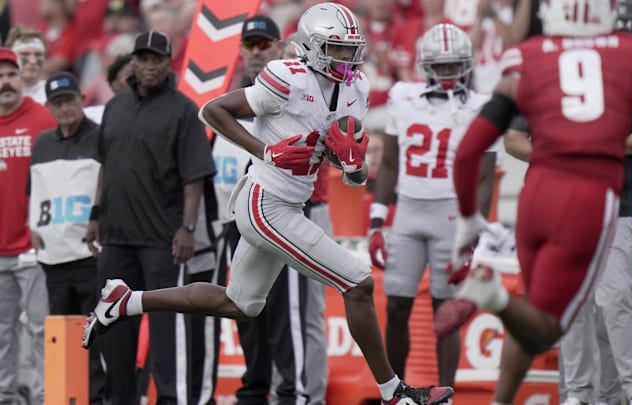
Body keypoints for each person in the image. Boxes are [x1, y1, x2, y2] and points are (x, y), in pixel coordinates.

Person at [82, 4, 454, 405]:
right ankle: (393, 394)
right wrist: (267, 152)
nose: (347, 60)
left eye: (351, 50)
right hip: (264, 204)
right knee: (358, 283)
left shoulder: (355, 88)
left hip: (289, 205)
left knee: (239, 303)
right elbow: (213, 110)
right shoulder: (287, 77)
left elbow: (353, 175)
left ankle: (126, 300)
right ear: (312, 48)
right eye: (337, 49)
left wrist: (353, 164)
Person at [431, 0, 632, 404]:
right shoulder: (629, 54)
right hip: (588, 198)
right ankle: (494, 295)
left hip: (536, 200)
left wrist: (467, 218)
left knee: (543, 314)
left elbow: (468, 152)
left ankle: (501, 388)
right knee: (556, 321)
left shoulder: (526, 55)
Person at [82, 31, 216, 405]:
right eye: (144, 58)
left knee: (166, 329)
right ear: (135, 63)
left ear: (169, 62)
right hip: (116, 237)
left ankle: (171, 399)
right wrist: (95, 213)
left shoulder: (183, 109)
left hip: (162, 240)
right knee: (114, 329)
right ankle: (121, 399)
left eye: (157, 59)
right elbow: (106, 166)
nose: (150, 65)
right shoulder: (115, 107)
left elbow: (194, 176)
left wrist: (187, 229)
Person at [368, 23, 495, 390]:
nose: (447, 74)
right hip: (408, 209)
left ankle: (447, 394)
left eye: (454, 65)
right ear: (425, 66)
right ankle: (397, 393)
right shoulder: (403, 97)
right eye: (439, 66)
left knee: (446, 310)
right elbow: (389, 163)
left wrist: (474, 226)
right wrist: (378, 221)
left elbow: (486, 176)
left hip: (452, 214)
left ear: (467, 65)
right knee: (396, 307)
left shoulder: (481, 105)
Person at [504, 115, 632, 405]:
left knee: (617, 298)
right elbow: (512, 137)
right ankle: (578, 392)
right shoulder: (544, 80)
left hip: (613, 204)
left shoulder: (620, 80)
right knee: (572, 306)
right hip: (558, 204)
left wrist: (604, 147)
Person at [213, 15, 328, 405]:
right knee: (247, 303)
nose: (257, 53)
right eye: (250, 45)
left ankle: (301, 394)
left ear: (282, 47)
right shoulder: (234, 97)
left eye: (265, 45)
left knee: (296, 313)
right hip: (242, 208)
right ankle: (256, 389)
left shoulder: (301, 85)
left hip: (297, 205)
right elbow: (212, 124)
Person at [28, 71, 105, 404]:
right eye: (57, 103)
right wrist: (33, 227)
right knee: (61, 333)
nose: (65, 108)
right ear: (49, 106)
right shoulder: (42, 143)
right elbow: (35, 192)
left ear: (81, 100)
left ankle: (98, 397)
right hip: (53, 258)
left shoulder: (101, 138)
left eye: (69, 100)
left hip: (90, 256)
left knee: (96, 334)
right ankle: (65, 395)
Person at [0, 46, 56, 405]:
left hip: (33, 245)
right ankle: (4, 394)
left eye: (11, 74)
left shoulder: (43, 120)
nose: (5, 82)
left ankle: (45, 395)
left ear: (22, 78)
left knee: (41, 328)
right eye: (0, 76)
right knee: (1, 331)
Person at [5, 27, 48, 103]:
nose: (33, 61)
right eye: (25, 54)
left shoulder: (52, 93)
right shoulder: (3, 94)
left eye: (38, 55)